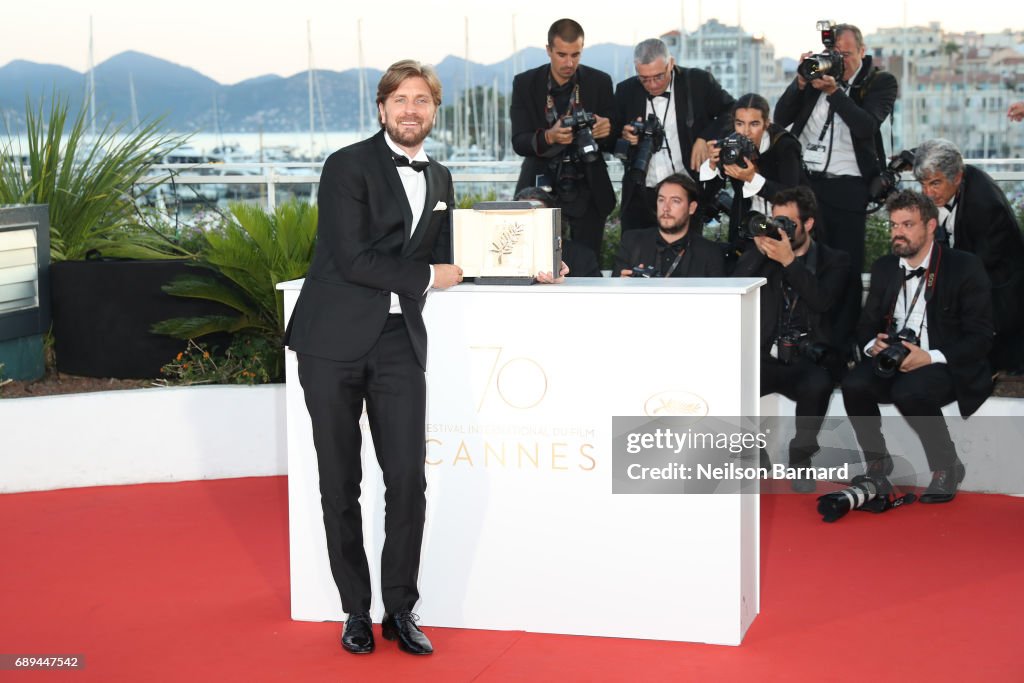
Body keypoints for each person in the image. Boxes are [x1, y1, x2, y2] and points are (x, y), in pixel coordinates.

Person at [284, 60, 463, 656]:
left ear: (434, 111)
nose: (412, 109)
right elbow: (354, 258)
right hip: (330, 343)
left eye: (423, 100)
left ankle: (401, 610)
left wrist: (537, 263)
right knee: (341, 482)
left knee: (408, 483)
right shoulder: (346, 166)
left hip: (398, 343)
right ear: (382, 108)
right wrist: (427, 276)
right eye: (401, 99)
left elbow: (457, 257)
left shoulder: (440, 178)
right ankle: (354, 611)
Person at [841, 190, 993, 504]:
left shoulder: (963, 267)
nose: (898, 232)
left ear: (930, 226)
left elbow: (980, 337)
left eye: (908, 224)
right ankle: (877, 464)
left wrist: (930, 356)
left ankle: (947, 466)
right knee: (853, 384)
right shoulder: (885, 267)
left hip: (943, 361)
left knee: (909, 391)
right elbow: (864, 325)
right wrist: (874, 344)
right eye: (894, 225)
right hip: (894, 360)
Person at [774, 23, 897, 362]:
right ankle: (806, 339)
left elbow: (866, 125)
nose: (838, 60)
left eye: (845, 53)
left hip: (848, 185)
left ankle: (844, 347)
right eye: (834, 54)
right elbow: (781, 117)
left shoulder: (879, 82)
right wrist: (801, 82)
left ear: (861, 50)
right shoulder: (816, 76)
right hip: (808, 184)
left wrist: (835, 91)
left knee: (845, 270)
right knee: (807, 264)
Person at [733, 187, 849, 491]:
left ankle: (801, 457)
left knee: (819, 385)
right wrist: (759, 253)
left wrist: (789, 262)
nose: (779, 229)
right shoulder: (764, 253)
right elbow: (737, 287)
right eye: (775, 221)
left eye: (787, 222)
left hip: (807, 358)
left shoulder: (833, 260)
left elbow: (823, 301)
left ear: (808, 224)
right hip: (767, 355)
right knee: (729, 381)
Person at [912, 138, 1024, 372]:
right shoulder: (953, 169)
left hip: (999, 288)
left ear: (958, 178)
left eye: (934, 184)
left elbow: (975, 267)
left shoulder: (984, 207)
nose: (927, 193)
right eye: (922, 184)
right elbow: (942, 154)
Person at [510, 18, 616, 259]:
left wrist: (605, 130)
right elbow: (519, 141)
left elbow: (613, 139)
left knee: (588, 263)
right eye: (562, 54)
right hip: (539, 183)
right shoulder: (525, 83)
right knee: (535, 261)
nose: (569, 63)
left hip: (589, 184)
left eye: (576, 54)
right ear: (548, 50)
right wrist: (549, 136)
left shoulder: (600, 82)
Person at [615, 38, 735, 232]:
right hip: (641, 196)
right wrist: (625, 135)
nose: (652, 85)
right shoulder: (625, 91)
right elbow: (613, 136)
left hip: (686, 194)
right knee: (635, 259)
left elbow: (732, 110)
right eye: (644, 79)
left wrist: (705, 138)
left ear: (671, 63)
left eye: (659, 76)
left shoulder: (697, 82)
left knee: (687, 259)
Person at [699, 93, 804, 255]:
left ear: (766, 124)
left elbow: (791, 196)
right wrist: (712, 166)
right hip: (748, 228)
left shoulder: (785, 146)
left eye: (754, 124)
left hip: (783, 228)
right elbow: (705, 197)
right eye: (740, 124)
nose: (746, 132)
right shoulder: (730, 143)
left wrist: (751, 179)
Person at [613, 173, 725, 278]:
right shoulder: (632, 242)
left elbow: (721, 297)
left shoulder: (710, 253)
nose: (666, 208)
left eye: (675, 201)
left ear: (691, 208)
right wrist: (622, 286)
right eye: (661, 200)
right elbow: (611, 292)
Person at [513, 186, 602, 277]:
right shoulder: (506, 257)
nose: (531, 222)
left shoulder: (582, 256)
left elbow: (595, 289)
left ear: (553, 218)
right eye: (524, 216)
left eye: (539, 216)